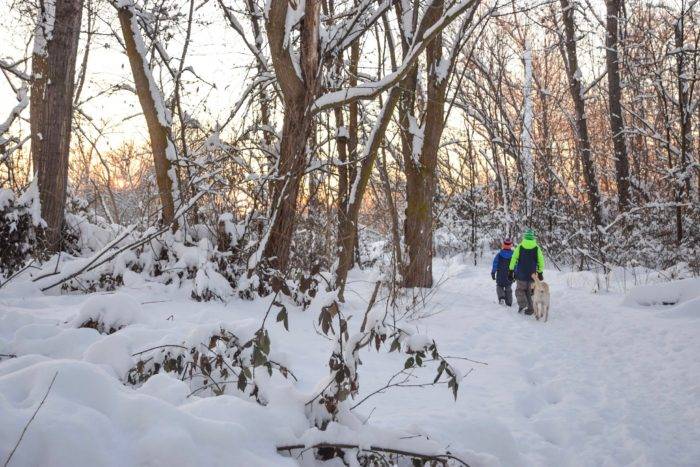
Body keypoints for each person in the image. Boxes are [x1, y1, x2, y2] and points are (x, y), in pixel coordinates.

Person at [508, 229, 545, 315]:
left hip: (521, 275)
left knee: (519, 291)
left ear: (524, 237)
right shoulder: (537, 248)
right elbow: (541, 261)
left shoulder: (520, 247)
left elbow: (513, 259)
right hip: (532, 276)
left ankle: (523, 304)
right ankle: (530, 309)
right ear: (533, 238)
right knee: (530, 293)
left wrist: (511, 270)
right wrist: (540, 272)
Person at [491, 239, 514, 306]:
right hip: (509, 274)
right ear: (510, 246)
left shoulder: (499, 255)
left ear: (503, 245)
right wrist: (515, 273)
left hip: (500, 274)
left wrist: (493, 272)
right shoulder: (513, 255)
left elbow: (495, 263)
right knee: (508, 287)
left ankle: (501, 297)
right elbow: (515, 265)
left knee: (499, 286)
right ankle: (509, 302)